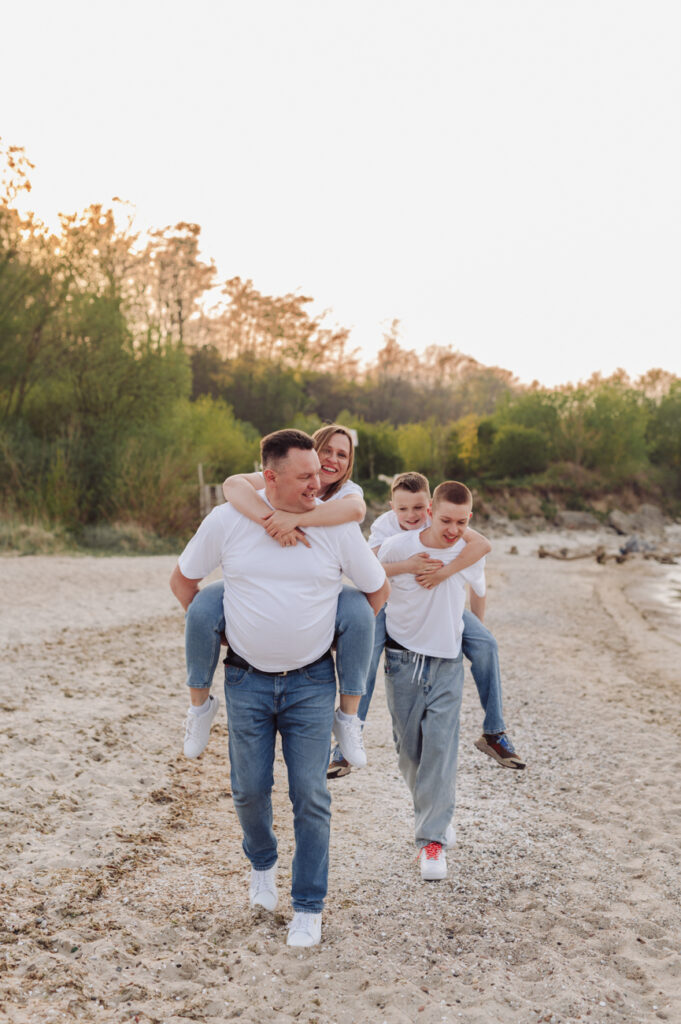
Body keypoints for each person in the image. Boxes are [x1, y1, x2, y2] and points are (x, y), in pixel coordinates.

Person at [170, 429, 388, 946]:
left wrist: (338, 640)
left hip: (312, 683)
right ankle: (262, 864)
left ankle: (308, 907)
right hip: (245, 679)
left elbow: (375, 591)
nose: (320, 483)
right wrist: (220, 629)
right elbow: (185, 583)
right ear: (269, 477)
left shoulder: (334, 525)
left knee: (310, 794)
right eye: (306, 476)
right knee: (248, 790)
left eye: (321, 472)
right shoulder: (228, 521)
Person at [181, 424, 374, 769]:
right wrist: (272, 520)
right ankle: (199, 706)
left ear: (349, 463)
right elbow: (233, 486)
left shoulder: (347, 495)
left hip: (319, 591)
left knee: (357, 611)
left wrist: (298, 518)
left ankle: (348, 718)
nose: (331, 460)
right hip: (255, 587)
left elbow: (356, 513)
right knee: (205, 604)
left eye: (341, 454)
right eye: (325, 450)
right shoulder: (285, 476)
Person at [328, 472, 525, 777]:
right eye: (403, 509)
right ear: (392, 506)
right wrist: (409, 566)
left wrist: (444, 577)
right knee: (365, 662)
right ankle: (347, 742)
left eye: (418, 508)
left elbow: (481, 547)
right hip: (390, 604)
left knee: (486, 644)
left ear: (429, 506)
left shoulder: (447, 524)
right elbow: (367, 568)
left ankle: (494, 732)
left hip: (441, 607)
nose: (411, 516)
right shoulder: (386, 527)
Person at [378, 480, 485, 880]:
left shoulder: (467, 551)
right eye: (445, 520)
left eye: (461, 522)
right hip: (402, 661)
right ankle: (433, 809)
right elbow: (370, 578)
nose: (453, 529)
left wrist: (475, 634)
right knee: (409, 754)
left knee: (440, 748)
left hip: (446, 663)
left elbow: (479, 591)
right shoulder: (397, 548)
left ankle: (432, 840)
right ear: (430, 512)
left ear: (468, 519)